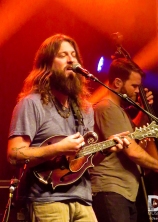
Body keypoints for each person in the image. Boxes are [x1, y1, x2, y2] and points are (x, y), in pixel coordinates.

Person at [6, 34, 130, 222]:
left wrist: (105, 150)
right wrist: (57, 148)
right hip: (47, 201)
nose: (71, 59)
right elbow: (14, 154)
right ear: (48, 64)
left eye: (73, 54)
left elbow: (81, 159)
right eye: (63, 55)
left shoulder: (85, 109)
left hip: (83, 200)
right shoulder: (31, 104)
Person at [89, 58, 158, 222]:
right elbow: (132, 150)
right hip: (111, 190)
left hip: (124, 192)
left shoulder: (119, 110)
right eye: (134, 86)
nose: (138, 91)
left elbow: (134, 134)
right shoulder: (107, 107)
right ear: (117, 83)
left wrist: (144, 112)